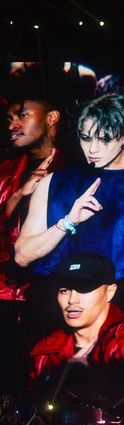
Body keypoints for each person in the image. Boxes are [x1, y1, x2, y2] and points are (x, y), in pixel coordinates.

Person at [15, 93, 124, 302]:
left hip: (121, 302)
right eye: (86, 138)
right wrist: (66, 223)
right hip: (56, 299)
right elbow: (22, 256)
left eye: (104, 139)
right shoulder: (53, 182)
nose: (93, 149)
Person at [29, 254, 124, 404]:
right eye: (64, 290)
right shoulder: (46, 352)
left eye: (84, 289)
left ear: (110, 292)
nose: (72, 300)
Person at [1, 95, 62, 304]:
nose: (12, 126)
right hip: (5, 293)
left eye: (22, 116)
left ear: (51, 118)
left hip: (50, 295)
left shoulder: (73, 169)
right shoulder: (6, 170)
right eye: (8, 120)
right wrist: (18, 196)